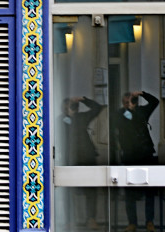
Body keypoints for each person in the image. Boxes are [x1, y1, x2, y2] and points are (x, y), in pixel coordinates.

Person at [114, 91, 160, 232]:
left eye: (131, 101)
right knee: (130, 192)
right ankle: (132, 223)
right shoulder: (120, 114)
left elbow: (155, 102)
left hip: (145, 154)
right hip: (130, 156)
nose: (129, 104)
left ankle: (149, 222)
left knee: (149, 191)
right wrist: (128, 109)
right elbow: (121, 124)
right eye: (126, 102)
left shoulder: (142, 111)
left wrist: (141, 93)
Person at [59, 96, 106, 229]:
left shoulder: (82, 117)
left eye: (74, 106)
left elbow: (97, 108)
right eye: (69, 106)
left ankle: (91, 218)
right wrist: (68, 114)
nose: (73, 108)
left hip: (87, 158)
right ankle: (70, 220)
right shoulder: (60, 120)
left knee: (91, 190)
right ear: (63, 108)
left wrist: (83, 100)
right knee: (68, 190)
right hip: (70, 159)